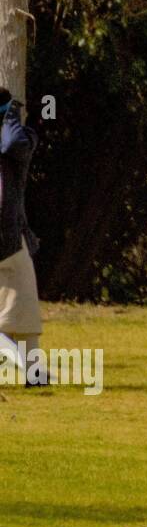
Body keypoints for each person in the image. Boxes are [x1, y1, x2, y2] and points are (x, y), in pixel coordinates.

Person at [0, 91, 41, 386]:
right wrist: (10, 113)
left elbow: (14, 142)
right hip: (9, 239)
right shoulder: (16, 137)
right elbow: (12, 141)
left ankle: (34, 375)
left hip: (12, 238)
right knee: (22, 311)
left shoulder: (22, 140)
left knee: (25, 314)